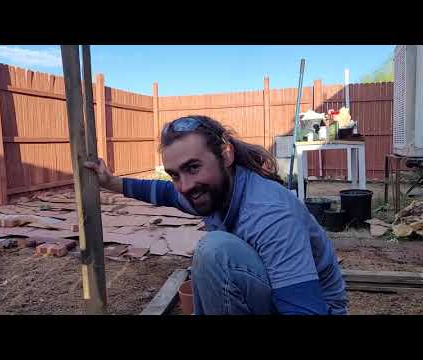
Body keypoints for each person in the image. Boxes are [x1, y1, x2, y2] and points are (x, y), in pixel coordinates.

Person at [85, 115, 348, 315]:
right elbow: (164, 193)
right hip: (278, 292)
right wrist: (112, 183)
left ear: (226, 154)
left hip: (315, 305)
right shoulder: (213, 192)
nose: (185, 185)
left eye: (193, 167)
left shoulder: (269, 215)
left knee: (216, 252)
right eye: (175, 174)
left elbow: (304, 308)